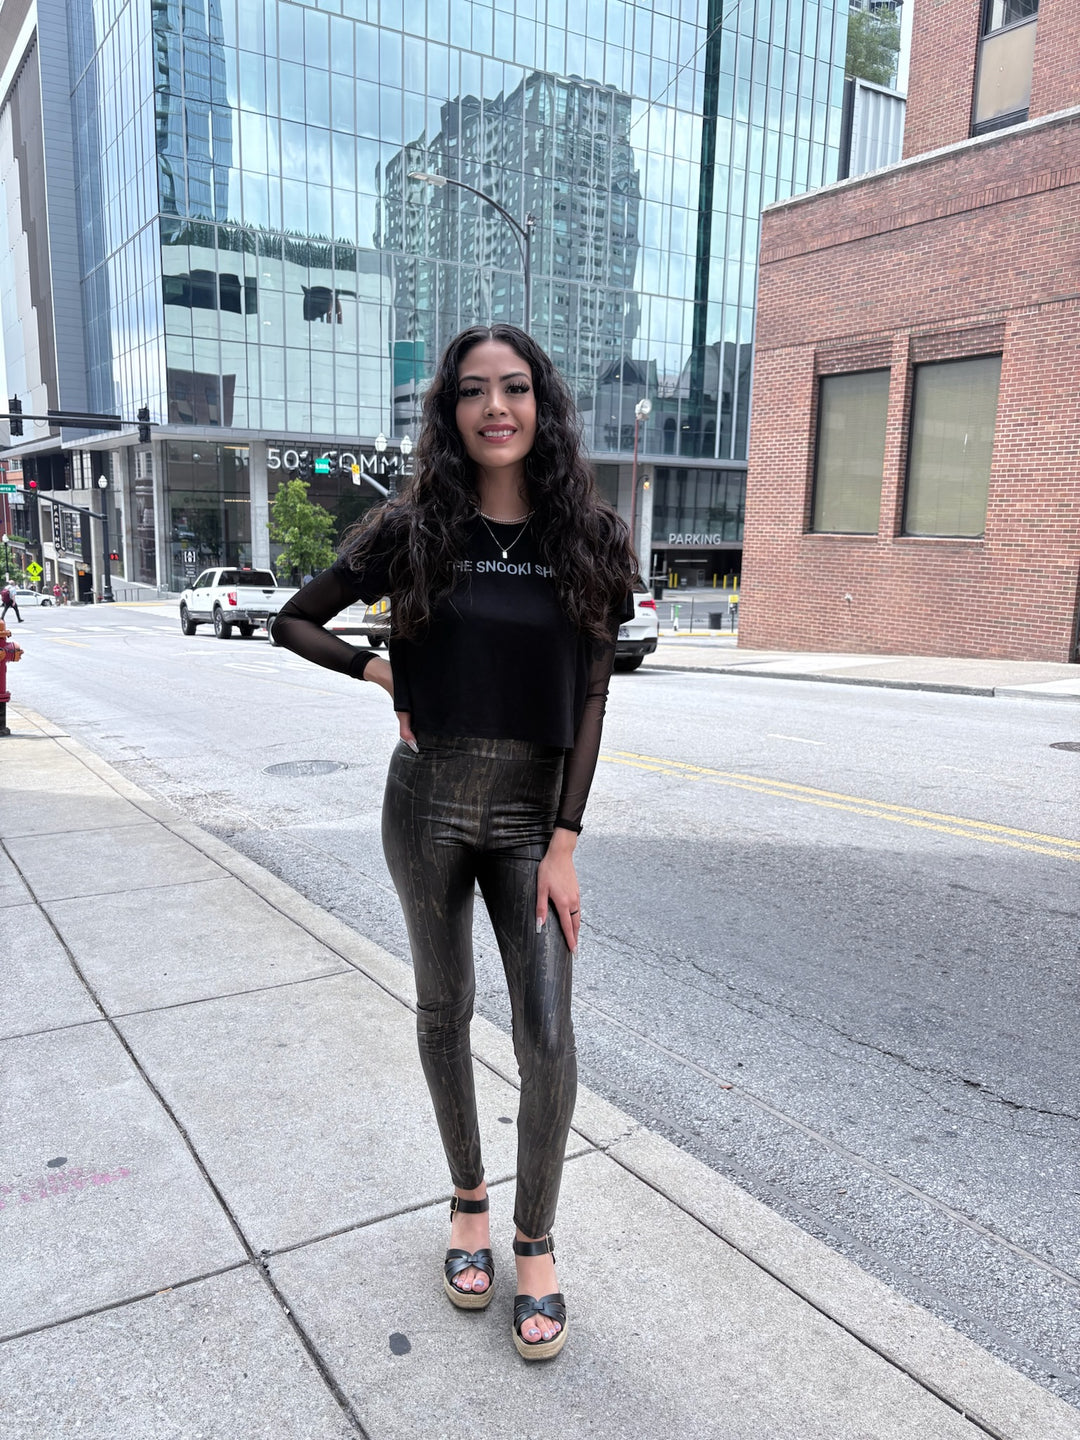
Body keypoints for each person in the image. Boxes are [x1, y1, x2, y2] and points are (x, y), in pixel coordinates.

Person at [274, 324, 635, 1362]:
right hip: (427, 800)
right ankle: (469, 1201)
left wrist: (565, 841)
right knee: (445, 1006)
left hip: (532, 816)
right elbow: (296, 619)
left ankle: (536, 1239)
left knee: (548, 1034)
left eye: (514, 388)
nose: (495, 408)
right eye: (473, 391)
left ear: (541, 404)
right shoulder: (412, 528)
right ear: (450, 410)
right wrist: (379, 671)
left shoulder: (590, 538)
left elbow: (594, 697)